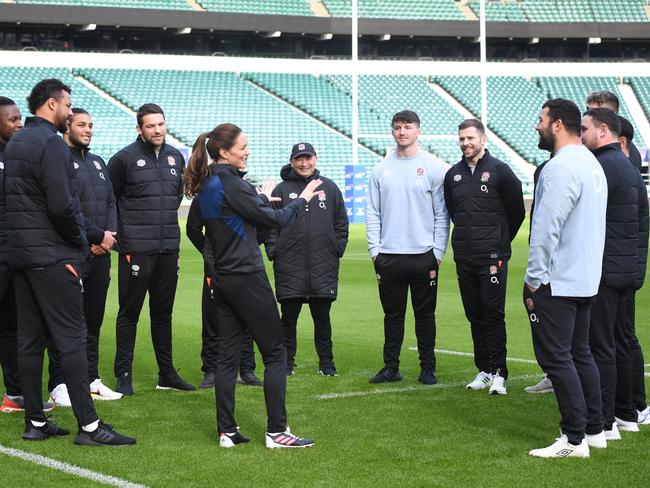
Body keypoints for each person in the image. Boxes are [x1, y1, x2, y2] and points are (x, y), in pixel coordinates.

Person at [4, 78, 134, 445]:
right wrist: (83, 242)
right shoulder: (52, 145)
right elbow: (62, 206)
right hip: (52, 256)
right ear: (51, 104)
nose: (70, 112)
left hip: (21, 256)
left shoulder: (15, 144)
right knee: (72, 339)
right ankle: (90, 426)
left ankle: (35, 421)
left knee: (29, 341)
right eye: (68, 106)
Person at [184, 123, 320, 449]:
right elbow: (274, 222)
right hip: (246, 277)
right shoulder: (234, 186)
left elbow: (194, 230)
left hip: (223, 281)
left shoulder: (209, 185)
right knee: (276, 353)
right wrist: (300, 200)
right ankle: (277, 432)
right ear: (223, 151)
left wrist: (215, 259)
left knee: (227, 358)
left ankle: (227, 431)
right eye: (243, 146)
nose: (247, 151)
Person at [525, 98, 607, 458]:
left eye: (541, 119)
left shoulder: (560, 168)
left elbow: (546, 228)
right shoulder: (591, 163)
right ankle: (595, 430)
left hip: (557, 281)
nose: (537, 126)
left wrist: (534, 278)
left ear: (557, 124)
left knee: (558, 359)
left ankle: (573, 439)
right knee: (580, 354)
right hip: (586, 276)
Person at [108, 103, 194, 395]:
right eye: (150, 126)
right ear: (139, 129)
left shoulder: (175, 158)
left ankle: (166, 375)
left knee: (163, 314)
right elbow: (111, 201)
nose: (157, 130)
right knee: (129, 313)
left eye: (161, 124)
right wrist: (123, 241)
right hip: (136, 250)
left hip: (168, 248)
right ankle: (123, 374)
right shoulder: (123, 159)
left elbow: (174, 199)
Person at [366, 110, 449, 385]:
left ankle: (428, 368)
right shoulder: (380, 169)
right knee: (393, 316)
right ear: (392, 132)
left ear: (418, 131)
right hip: (389, 256)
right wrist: (375, 250)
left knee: (425, 315)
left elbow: (441, 214)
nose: (402, 132)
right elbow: (373, 213)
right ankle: (391, 367)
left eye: (408, 127)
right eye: (398, 127)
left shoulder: (434, 167)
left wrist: (437, 252)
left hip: (423, 256)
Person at [46, 108, 122, 407]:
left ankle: (90, 378)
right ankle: (59, 382)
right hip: (72, 253)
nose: (88, 129)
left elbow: (111, 202)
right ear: (67, 126)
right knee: (66, 323)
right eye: (81, 124)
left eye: (91, 124)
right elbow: (62, 208)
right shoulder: (57, 161)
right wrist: (91, 239)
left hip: (101, 253)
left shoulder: (97, 161)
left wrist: (109, 237)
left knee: (93, 320)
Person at [581, 108, 648, 440]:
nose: (580, 135)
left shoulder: (602, 166)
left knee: (601, 345)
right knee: (620, 342)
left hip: (606, 269)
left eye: (584, 129)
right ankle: (626, 413)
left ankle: (605, 421)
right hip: (627, 269)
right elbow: (642, 223)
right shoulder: (628, 166)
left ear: (602, 130)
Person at [443, 119, 525, 395]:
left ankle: (500, 372)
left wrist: (499, 241)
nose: (466, 143)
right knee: (474, 315)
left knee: (493, 314)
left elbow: (516, 213)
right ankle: (484, 369)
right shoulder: (452, 174)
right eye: (462, 139)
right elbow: (454, 212)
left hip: (493, 257)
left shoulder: (500, 171)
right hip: (465, 257)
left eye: (470, 138)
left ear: (483, 139)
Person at [265, 142, 349, 377]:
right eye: (299, 159)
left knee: (322, 320)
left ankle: (327, 364)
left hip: (323, 264)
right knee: (288, 321)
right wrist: (274, 250)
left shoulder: (330, 188)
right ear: (292, 161)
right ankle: (286, 363)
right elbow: (270, 223)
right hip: (289, 265)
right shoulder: (282, 189)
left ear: (316, 158)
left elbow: (341, 222)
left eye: (308, 158)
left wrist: (337, 248)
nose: (304, 163)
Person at [186, 197, 262, 388]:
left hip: (244, 268)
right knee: (212, 320)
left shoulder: (246, 192)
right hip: (215, 269)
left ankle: (246, 370)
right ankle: (211, 370)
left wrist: (248, 247)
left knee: (247, 320)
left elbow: (263, 225)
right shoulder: (205, 197)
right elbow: (193, 229)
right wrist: (208, 251)